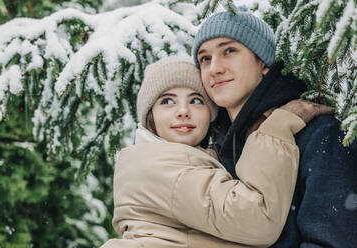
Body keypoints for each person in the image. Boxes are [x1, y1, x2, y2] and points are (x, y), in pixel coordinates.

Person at [100, 56, 333, 248]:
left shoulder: (193, 159)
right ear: (149, 116)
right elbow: (256, 219)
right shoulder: (157, 165)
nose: (183, 111)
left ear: (210, 115)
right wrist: (275, 129)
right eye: (167, 101)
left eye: (196, 100)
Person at [192, 9, 357, 248]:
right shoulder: (215, 150)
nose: (214, 68)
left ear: (264, 63)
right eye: (204, 58)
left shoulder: (319, 134)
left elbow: (333, 241)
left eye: (229, 51)